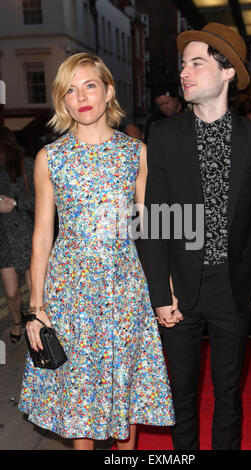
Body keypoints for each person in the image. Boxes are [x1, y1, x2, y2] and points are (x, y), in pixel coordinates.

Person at [18, 52, 174, 451]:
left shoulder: (134, 152)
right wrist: (35, 307)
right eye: (69, 90)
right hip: (69, 291)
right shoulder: (49, 158)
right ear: (61, 101)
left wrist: (167, 287)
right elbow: (41, 237)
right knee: (78, 396)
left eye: (89, 85)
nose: (81, 96)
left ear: (108, 91)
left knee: (125, 389)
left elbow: (155, 230)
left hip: (125, 288)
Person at [143, 23, 251, 450]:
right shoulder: (164, 134)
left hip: (235, 287)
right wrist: (159, 293)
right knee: (181, 399)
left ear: (227, 73)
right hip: (180, 290)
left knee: (229, 396)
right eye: (183, 63)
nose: (184, 72)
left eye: (197, 62)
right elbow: (153, 220)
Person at [0, 127, 34, 343]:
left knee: (35, 289)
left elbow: (41, 201)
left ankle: (36, 323)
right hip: (3, 236)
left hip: (25, 231)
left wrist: (14, 203)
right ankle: (16, 322)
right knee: (11, 292)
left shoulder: (26, 165)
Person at [144, 78, 186, 142]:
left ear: (175, 98)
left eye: (166, 103)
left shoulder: (192, 111)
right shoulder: (154, 121)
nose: (164, 108)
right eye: (159, 105)